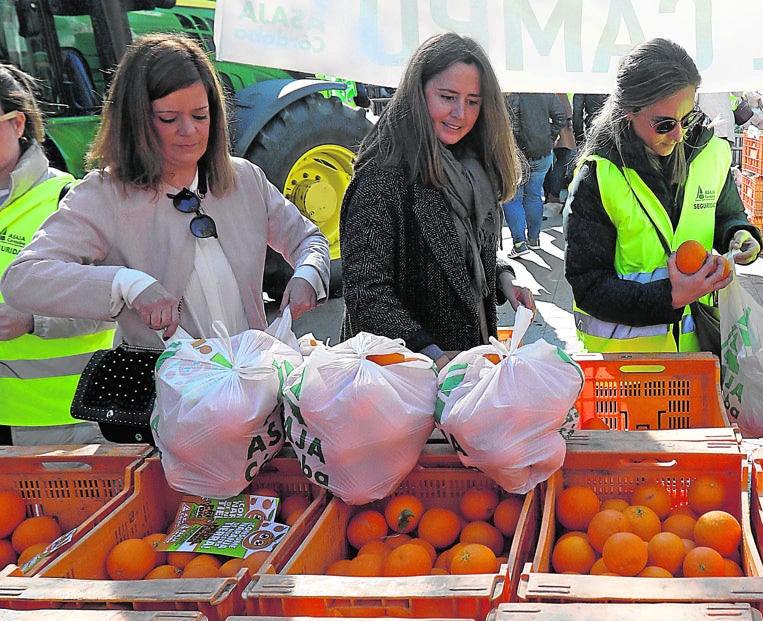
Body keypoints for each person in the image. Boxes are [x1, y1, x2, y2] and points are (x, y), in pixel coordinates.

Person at [1, 33, 327, 348]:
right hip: (168, 397)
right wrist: (127, 283)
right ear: (136, 119)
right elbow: (23, 279)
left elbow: (308, 239)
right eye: (169, 118)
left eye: (201, 115)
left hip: (254, 387)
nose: (189, 130)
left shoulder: (244, 178)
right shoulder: (104, 196)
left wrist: (309, 273)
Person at [339, 32, 535, 369]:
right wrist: (432, 356)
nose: (460, 113)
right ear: (417, 94)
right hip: (400, 380)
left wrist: (503, 278)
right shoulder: (381, 179)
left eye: (473, 101)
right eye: (447, 97)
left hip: (463, 370)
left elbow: (464, 249)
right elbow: (367, 293)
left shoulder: (473, 170)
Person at [564, 38, 761, 353]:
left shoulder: (711, 154)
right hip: (631, 366)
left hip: (700, 352)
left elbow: (727, 214)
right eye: (665, 124)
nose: (679, 134)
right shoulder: (597, 178)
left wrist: (739, 234)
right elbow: (588, 286)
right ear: (629, 111)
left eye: (687, 118)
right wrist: (671, 297)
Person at [0, 65, 113, 446]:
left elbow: (114, 302)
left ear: (17, 123)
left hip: (62, 421)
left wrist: (33, 319)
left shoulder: (67, 201)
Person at [503, 92, 567, 258]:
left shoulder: (508, 92)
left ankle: (519, 243)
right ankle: (534, 239)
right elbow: (561, 116)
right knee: (534, 195)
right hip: (542, 152)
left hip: (514, 154)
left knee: (512, 197)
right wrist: (550, 136)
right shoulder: (543, 89)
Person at [544, 93, 576, 206]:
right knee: (564, 159)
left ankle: (551, 194)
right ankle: (553, 195)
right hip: (561, 125)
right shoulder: (556, 87)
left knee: (555, 161)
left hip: (554, 125)